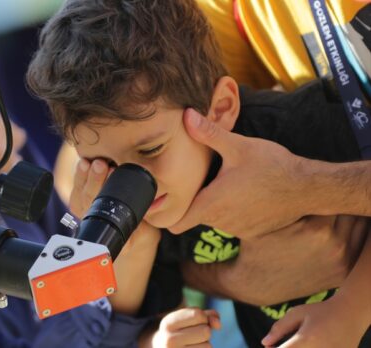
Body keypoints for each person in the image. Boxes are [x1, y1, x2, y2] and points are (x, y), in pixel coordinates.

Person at [25, 0, 371, 347]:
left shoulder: (299, 129)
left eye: (150, 150)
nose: (132, 183)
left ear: (220, 108)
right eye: (103, 164)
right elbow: (123, 319)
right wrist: (159, 336)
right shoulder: (141, 200)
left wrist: (349, 311)